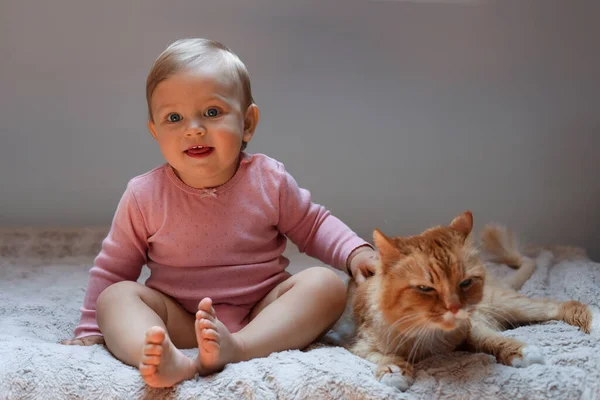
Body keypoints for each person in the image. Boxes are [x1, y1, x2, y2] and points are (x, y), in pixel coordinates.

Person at [61, 38, 378, 388]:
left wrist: (354, 251)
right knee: (116, 298)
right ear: (155, 131)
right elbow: (114, 267)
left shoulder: (268, 180)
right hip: (178, 316)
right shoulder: (143, 195)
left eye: (212, 112)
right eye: (174, 117)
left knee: (326, 285)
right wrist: (92, 327)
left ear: (247, 123)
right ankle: (164, 356)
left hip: (262, 310)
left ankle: (238, 347)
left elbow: (313, 224)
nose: (193, 128)